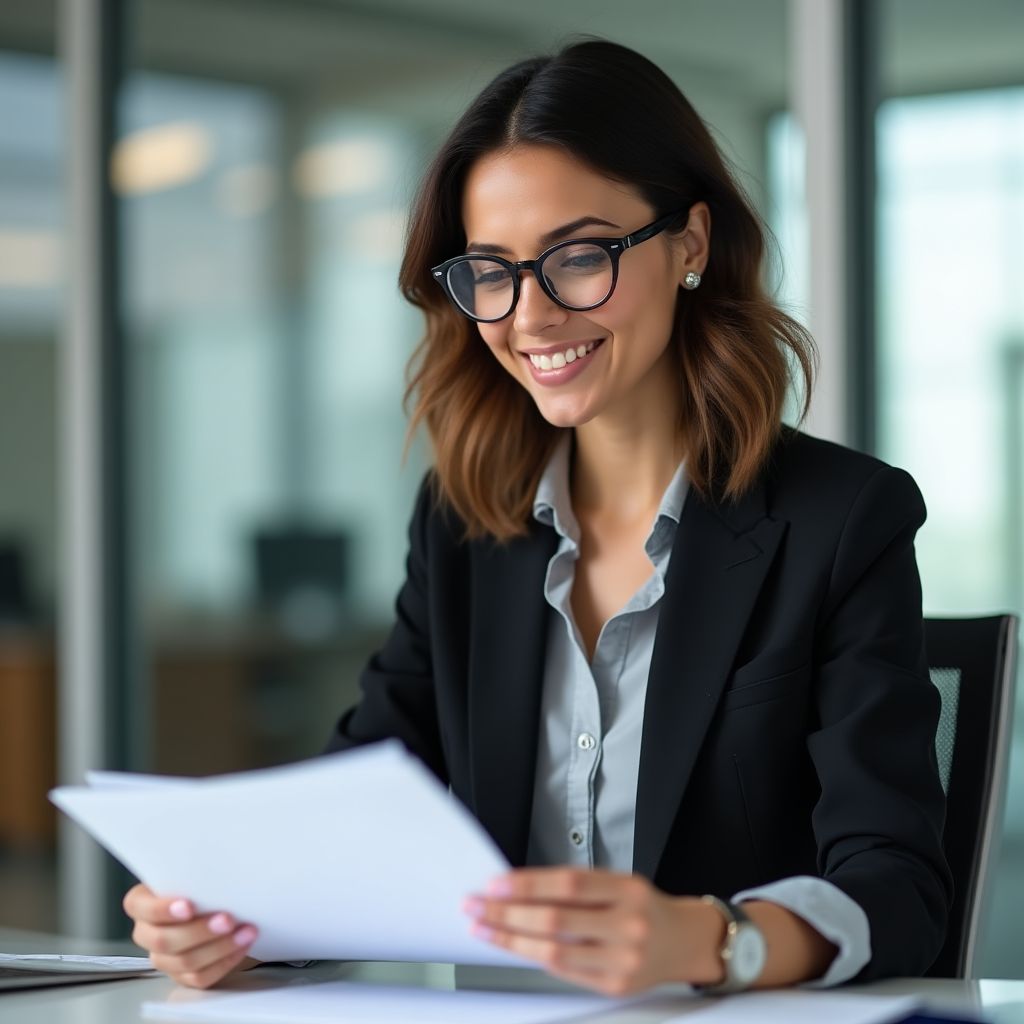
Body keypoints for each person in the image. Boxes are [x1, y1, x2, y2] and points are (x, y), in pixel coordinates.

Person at [123, 38, 952, 994]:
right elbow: (355, 814)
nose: (530, 316)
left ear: (690, 242)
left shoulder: (840, 520)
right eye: (492, 270)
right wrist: (232, 911)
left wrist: (716, 943)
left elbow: (897, 888)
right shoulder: (466, 523)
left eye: (579, 256)